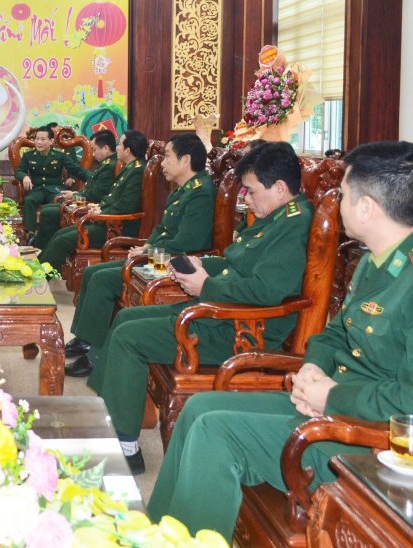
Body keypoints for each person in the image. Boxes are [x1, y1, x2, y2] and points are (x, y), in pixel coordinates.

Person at [148, 141, 413, 539]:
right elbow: (336, 332)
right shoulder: (377, 258)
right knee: (200, 409)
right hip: (332, 404)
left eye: (345, 193)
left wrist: (331, 398)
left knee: (217, 432)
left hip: (372, 443)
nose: (336, 201)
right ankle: (156, 536)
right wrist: (313, 368)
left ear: (367, 207)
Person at [86, 142, 314, 476]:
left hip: (241, 330)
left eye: (251, 192)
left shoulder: (294, 225)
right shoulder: (278, 217)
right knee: (125, 317)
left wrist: (206, 286)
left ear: (280, 188)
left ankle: (126, 447)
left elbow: (266, 291)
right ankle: (113, 415)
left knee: (130, 337)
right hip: (219, 310)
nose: (246, 200)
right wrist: (200, 265)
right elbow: (238, 262)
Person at [66, 133, 215, 372]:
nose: (162, 163)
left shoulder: (200, 192)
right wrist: (146, 247)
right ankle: (87, 340)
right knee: (94, 273)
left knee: (103, 279)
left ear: (185, 160)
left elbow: (187, 243)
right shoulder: (181, 189)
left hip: (176, 264)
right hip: (161, 254)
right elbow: (163, 228)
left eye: (167, 157)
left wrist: (149, 252)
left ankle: (93, 354)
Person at [37, 130, 147, 270]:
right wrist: (99, 208)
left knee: (62, 241)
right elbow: (112, 198)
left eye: (120, 144)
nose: (117, 147)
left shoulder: (137, 171)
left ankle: (40, 279)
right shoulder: (129, 168)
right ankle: (37, 269)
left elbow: (126, 206)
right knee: (59, 234)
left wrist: (101, 211)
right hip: (105, 220)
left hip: (117, 228)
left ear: (128, 150)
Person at [32, 130, 118, 249]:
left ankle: (40, 248)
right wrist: (75, 194)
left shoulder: (110, 165)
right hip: (88, 203)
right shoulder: (105, 164)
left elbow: (96, 194)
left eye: (94, 150)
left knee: (48, 213)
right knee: (48, 209)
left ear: (106, 148)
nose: (92, 154)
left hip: (92, 207)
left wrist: (75, 196)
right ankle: (41, 247)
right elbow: (92, 189)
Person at [14, 126, 91, 236]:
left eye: (43, 139)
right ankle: (30, 232)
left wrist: (93, 179)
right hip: (37, 189)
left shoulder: (60, 156)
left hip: (55, 189)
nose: (39, 142)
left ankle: (55, 232)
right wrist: (25, 177)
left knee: (58, 202)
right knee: (29, 200)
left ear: (51, 141)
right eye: (37, 139)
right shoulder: (29, 156)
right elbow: (19, 171)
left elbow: (77, 170)